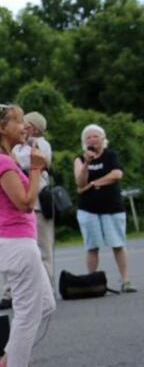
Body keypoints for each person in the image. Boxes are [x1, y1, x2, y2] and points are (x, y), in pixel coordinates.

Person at [0, 104, 57, 367]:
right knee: (28, 310)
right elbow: (25, 202)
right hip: (16, 244)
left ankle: (10, 359)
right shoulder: (0, 162)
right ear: (1, 128)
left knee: (45, 304)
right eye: (18, 121)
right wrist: (36, 168)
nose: (24, 126)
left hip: (16, 242)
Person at [75, 123, 134, 292]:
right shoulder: (80, 159)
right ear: (84, 141)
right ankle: (92, 281)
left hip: (112, 207)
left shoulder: (110, 155)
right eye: (88, 137)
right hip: (88, 209)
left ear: (103, 139)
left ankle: (126, 280)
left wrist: (95, 182)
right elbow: (79, 182)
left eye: (95, 136)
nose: (92, 140)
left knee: (118, 243)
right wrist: (86, 164)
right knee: (92, 246)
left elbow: (117, 174)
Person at [12, 111, 56, 297]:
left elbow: (33, 162)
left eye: (26, 124)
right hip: (22, 203)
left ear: (35, 128)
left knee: (44, 248)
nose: (23, 126)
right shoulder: (18, 147)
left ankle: (46, 289)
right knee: (26, 251)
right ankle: (27, 290)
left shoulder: (42, 144)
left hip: (38, 203)